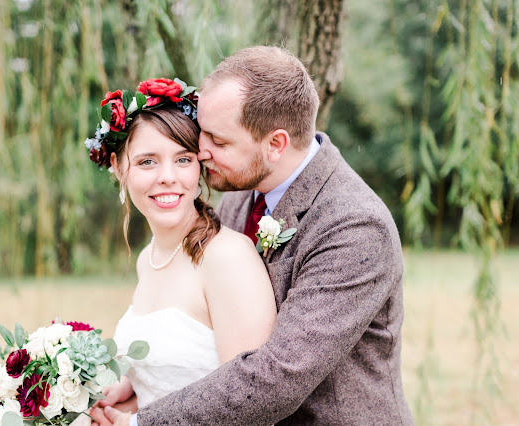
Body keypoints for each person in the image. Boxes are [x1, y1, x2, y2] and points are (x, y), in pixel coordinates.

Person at [100, 46, 414, 425]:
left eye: (218, 140)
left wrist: (144, 423)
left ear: (275, 145)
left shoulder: (355, 227)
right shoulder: (241, 193)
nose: (200, 152)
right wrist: (148, 380)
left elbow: (276, 377)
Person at [78, 78, 277, 424]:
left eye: (183, 160)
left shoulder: (227, 258)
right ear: (118, 166)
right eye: (147, 162)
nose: (168, 177)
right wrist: (127, 388)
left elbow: (250, 405)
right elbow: (170, 375)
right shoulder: (148, 258)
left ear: (200, 165)